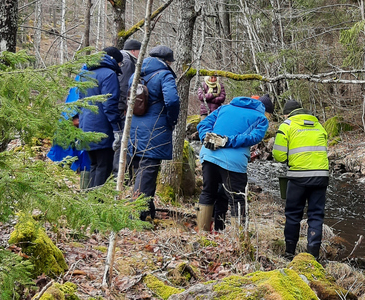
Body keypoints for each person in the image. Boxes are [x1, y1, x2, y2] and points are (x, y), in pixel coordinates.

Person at [196, 96, 271, 232]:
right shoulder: (261, 118)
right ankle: (238, 240)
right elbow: (254, 137)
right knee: (237, 198)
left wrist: (206, 137)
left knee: (208, 192)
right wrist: (227, 141)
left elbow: (202, 124)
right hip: (233, 162)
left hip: (209, 155)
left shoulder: (224, 108)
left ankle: (202, 235)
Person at [128, 45, 181, 221]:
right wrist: (171, 119)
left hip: (134, 128)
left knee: (139, 169)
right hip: (155, 129)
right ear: (167, 61)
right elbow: (172, 100)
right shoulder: (164, 75)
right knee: (148, 170)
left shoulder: (136, 74)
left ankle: (147, 208)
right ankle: (138, 216)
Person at [272, 100, 329, 260]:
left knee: (293, 215)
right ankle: (313, 255)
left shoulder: (287, 125)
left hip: (298, 177)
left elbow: (278, 155)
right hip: (321, 176)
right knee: (316, 215)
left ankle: (289, 253)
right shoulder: (319, 125)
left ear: (287, 113)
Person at [77, 46, 123, 188]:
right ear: (115, 60)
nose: (120, 66)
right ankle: (98, 203)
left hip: (86, 126)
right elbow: (109, 104)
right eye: (120, 63)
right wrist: (117, 129)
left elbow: (80, 102)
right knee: (104, 166)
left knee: (94, 165)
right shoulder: (109, 75)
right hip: (102, 127)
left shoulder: (86, 74)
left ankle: (90, 202)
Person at [114, 39, 141, 175]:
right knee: (121, 139)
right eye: (139, 51)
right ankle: (118, 174)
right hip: (120, 106)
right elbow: (125, 85)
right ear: (133, 51)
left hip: (116, 104)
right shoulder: (128, 62)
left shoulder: (121, 58)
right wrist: (126, 106)